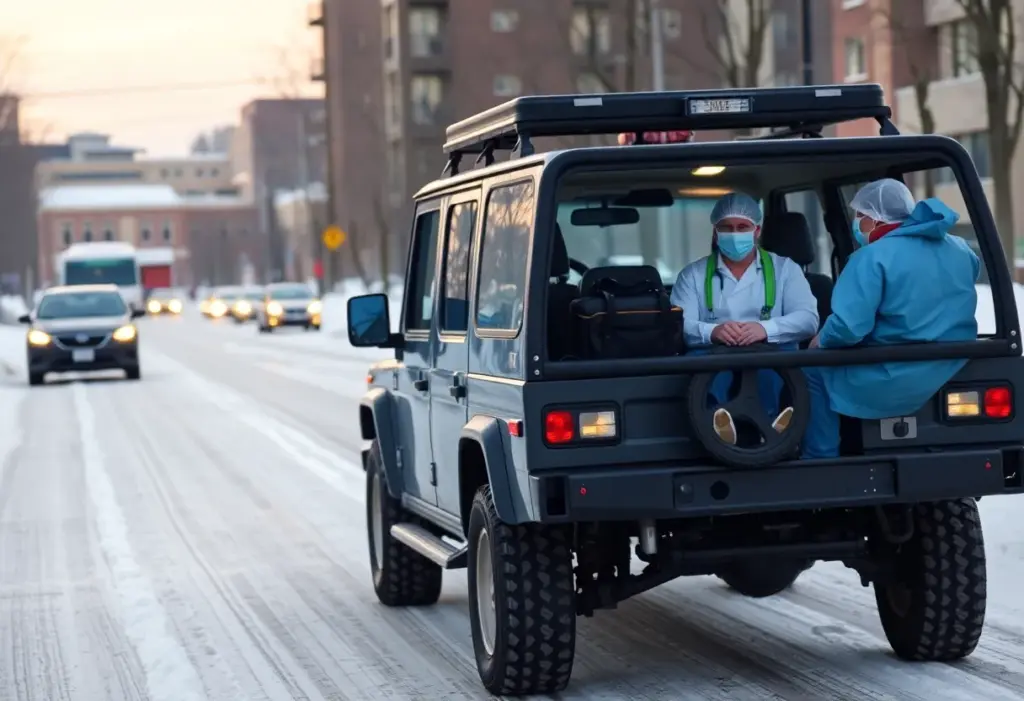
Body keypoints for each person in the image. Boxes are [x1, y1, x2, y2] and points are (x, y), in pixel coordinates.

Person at [802, 179, 980, 458]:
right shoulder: (961, 249)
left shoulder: (871, 258)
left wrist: (820, 339)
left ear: (874, 218)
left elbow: (849, 328)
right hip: (952, 365)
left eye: (859, 216)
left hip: (894, 373)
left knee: (811, 371)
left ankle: (820, 459)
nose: (856, 223)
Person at [671, 192, 820, 445]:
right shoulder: (692, 275)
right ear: (715, 233)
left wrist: (764, 329)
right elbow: (677, 324)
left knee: (775, 362)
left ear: (757, 230)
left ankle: (772, 427)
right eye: (726, 228)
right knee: (703, 367)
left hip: (771, 354)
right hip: (713, 356)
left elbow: (808, 319)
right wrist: (713, 333)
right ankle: (717, 424)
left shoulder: (786, 270)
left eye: (742, 227)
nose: (734, 233)